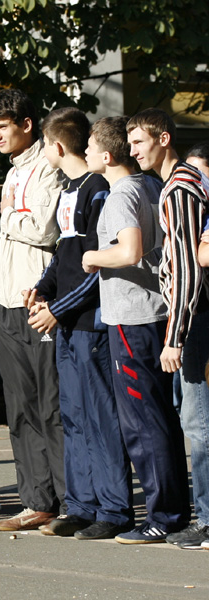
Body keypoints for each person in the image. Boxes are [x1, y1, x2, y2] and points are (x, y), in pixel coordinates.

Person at [82, 115, 190, 544]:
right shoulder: (150, 185)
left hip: (133, 316)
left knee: (143, 422)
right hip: (152, 314)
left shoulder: (122, 194)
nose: (85, 153)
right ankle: (173, 509)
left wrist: (92, 257)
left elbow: (130, 251)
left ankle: (164, 515)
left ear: (107, 157)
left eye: (90, 147)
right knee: (160, 417)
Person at [25, 108, 133, 540]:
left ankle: (114, 509)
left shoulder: (98, 190)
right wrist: (43, 287)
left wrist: (58, 309)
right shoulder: (69, 190)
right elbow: (64, 254)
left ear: (55, 146)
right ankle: (81, 505)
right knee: (72, 415)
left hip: (90, 323)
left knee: (100, 416)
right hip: (67, 325)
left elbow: (96, 269)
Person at [122, 109, 209, 548]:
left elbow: (189, 268)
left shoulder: (179, 188)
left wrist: (175, 336)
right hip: (194, 314)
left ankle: (207, 520)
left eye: (139, 142)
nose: (133, 151)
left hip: (197, 317)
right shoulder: (183, 183)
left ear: (164, 139)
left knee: (198, 423)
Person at [0, 89, 66, 531]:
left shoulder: (48, 165)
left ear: (26, 124)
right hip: (7, 301)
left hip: (39, 301)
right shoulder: (13, 171)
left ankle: (71, 502)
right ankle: (37, 500)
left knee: (51, 406)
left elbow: (45, 230)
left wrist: (7, 214)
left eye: (1, 127)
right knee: (20, 408)